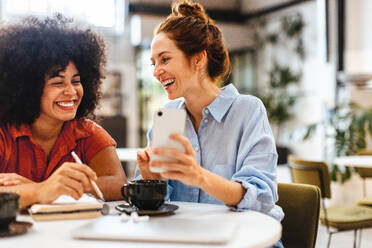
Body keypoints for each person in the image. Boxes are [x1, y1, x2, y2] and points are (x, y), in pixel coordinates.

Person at [137, 1, 284, 245]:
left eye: (164, 59)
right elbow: (157, 207)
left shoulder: (247, 110)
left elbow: (261, 197)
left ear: (198, 59)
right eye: (154, 63)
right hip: (187, 239)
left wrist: (199, 177)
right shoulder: (168, 115)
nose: (156, 71)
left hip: (245, 240)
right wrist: (154, 181)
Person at [0, 14, 127, 208]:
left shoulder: (88, 134)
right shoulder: (4, 133)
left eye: (76, 81)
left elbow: (119, 185)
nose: (71, 91)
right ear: (28, 88)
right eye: (58, 82)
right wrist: (42, 190)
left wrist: (52, 189)